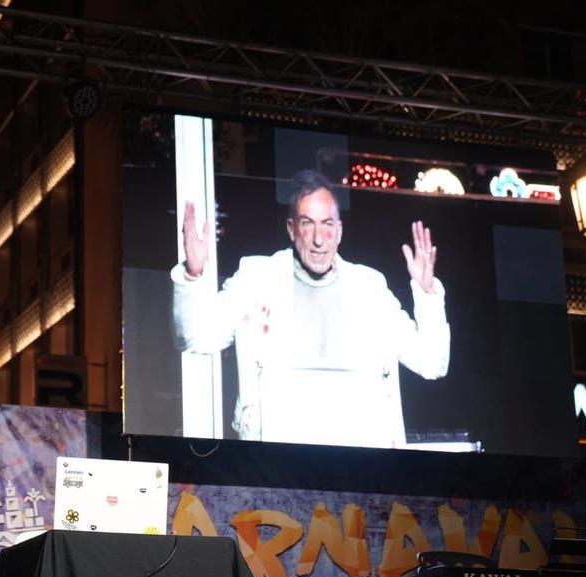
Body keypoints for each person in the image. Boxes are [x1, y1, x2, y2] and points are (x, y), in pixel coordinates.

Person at [171, 169, 450, 448]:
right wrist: (192, 275)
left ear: (339, 231)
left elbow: (431, 363)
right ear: (291, 229)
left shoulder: (370, 288)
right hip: (279, 468)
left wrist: (427, 293)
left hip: (360, 470)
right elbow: (193, 338)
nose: (319, 238)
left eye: (328, 224)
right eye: (308, 223)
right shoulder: (256, 278)